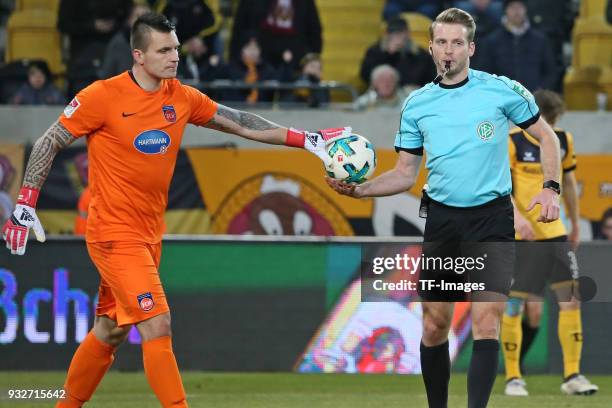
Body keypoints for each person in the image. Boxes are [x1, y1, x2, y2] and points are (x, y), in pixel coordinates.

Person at [2, 12, 345, 407]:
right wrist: (25, 203)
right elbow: (49, 142)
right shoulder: (102, 95)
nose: (174, 57)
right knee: (157, 322)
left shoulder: (180, 97)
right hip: (113, 234)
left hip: (149, 235)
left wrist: (307, 139)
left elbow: (241, 122)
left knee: (110, 329)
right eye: (164, 50)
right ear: (138, 56)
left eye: (176, 48)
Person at [326, 8, 562, 408]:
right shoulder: (418, 105)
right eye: (441, 42)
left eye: (457, 43)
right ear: (431, 47)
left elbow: (548, 138)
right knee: (434, 325)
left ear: (470, 48)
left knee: (487, 323)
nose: (448, 51)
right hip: (443, 221)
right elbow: (404, 173)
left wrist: (550, 188)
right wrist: (361, 190)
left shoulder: (502, 91)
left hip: (492, 219)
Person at [501, 89, 598, 397]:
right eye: (549, 120)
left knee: (570, 299)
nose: (551, 127)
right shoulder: (512, 140)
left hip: (554, 232)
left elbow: (567, 182)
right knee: (515, 303)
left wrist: (576, 222)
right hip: (522, 233)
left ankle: (572, 375)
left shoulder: (562, 141)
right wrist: (517, 218)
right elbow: (501, 184)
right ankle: (513, 377)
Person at [473, 0, 557, 91]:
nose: (516, 11)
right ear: (505, 10)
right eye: (512, 7)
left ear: (525, 9)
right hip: (503, 97)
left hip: (534, 97)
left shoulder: (540, 40)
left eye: (520, 7)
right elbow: (484, 72)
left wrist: (541, 90)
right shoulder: (492, 41)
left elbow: (550, 71)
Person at [360, 16, 435, 89]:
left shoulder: (420, 55)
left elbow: (430, 77)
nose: (397, 38)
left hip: (411, 94)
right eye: (394, 34)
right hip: (381, 94)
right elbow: (365, 75)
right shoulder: (375, 52)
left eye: (401, 34)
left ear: (407, 34)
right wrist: (388, 55)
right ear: (387, 35)